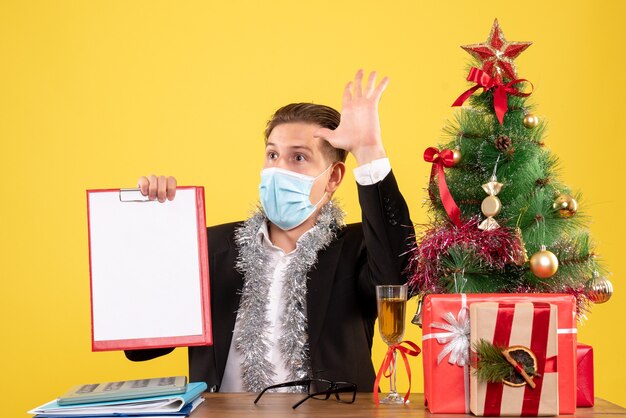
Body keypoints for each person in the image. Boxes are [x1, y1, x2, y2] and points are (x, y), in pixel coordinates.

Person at [125, 70, 414, 393]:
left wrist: (369, 151)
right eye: (273, 154)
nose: (278, 169)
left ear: (333, 178)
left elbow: (400, 277)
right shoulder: (210, 246)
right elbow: (142, 346)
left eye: (299, 157)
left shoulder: (357, 249)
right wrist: (156, 228)